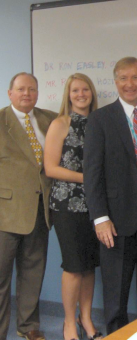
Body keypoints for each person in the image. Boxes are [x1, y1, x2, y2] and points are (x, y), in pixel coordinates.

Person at [83, 57, 137, 335]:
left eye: (135, 78)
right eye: (123, 78)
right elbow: (92, 172)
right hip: (116, 220)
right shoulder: (100, 119)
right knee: (116, 292)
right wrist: (100, 218)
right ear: (115, 82)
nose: (129, 84)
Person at [44, 73, 102, 340]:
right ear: (68, 95)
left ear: (92, 92)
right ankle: (69, 322)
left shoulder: (101, 123)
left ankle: (86, 318)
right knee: (73, 266)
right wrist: (87, 179)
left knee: (89, 265)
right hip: (67, 205)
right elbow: (51, 168)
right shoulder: (61, 123)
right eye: (75, 90)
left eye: (85, 89)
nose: (81, 94)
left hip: (97, 205)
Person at [0, 73, 56, 340]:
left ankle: (28, 327)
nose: (26, 94)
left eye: (32, 89)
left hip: (40, 209)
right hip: (5, 213)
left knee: (33, 273)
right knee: (1, 279)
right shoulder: (0, 121)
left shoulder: (49, 119)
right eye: (21, 89)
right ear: (10, 93)